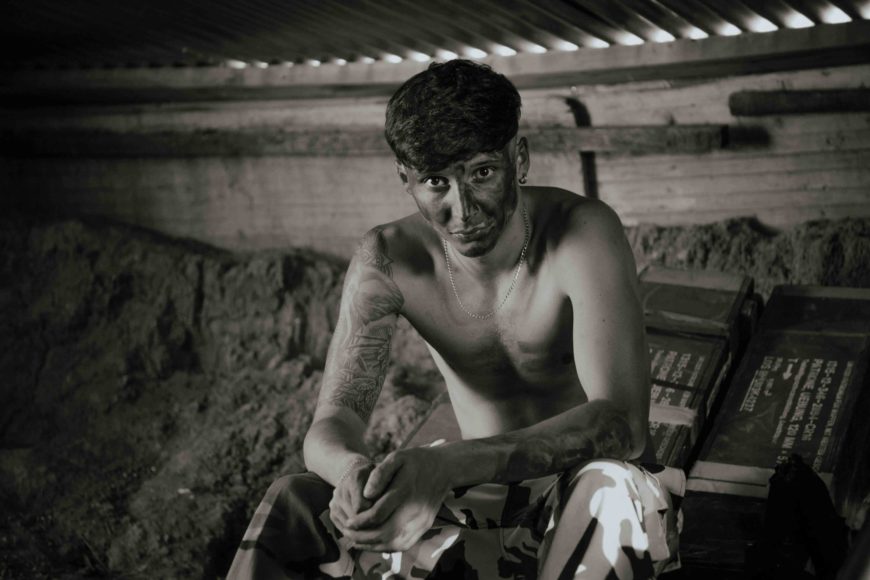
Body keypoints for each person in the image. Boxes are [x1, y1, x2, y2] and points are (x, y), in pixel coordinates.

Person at [228, 59, 684, 579]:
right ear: (405, 179)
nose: (463, 209)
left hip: (586, 501)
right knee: (295, 501)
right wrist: (355, 477)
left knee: (611, 487)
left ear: (520, 158)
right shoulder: (388, 258)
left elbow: (622, 425)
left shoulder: (581, 233)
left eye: (482, 173)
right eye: (435, 182)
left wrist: (445, 465)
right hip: (478, 504)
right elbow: (331, 425)